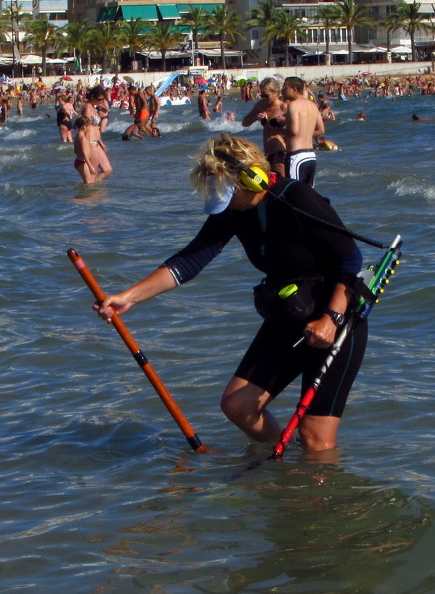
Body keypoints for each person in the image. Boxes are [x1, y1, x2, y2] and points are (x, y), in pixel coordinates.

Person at [93, 133, 368, 453]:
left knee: (315, 437)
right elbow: (190, 260)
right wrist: (128, 297)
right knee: (238, 405)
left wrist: (331, 318)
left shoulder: (299, 199)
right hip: (290, 313)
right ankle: (284, 468)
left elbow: (350, 259)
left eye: (229, 193)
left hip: (337, 317)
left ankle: (320, 498)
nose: (227, 205)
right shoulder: (234, 211)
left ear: (252, 178)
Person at [282, 76, 324, 186]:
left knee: (294, 193)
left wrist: (278, 130)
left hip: (296, 156)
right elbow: (320, 130)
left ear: (294, 89)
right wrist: (306, 133)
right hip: (310, 156)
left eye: (285, 88)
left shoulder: (293, 105)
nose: (282, 90)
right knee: (309, 194)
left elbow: (294, 131)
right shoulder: (313, 105)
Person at [241, 77, 287, 176]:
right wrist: (255, 117)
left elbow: (297, 127)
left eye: (266, 96)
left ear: (274, 92)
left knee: (281, 184)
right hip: (267, 153)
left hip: (280, 152)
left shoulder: (283, 107)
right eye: (262, 95)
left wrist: (284, 121)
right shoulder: (261, 105)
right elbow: (244, 123)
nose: (264, 98)